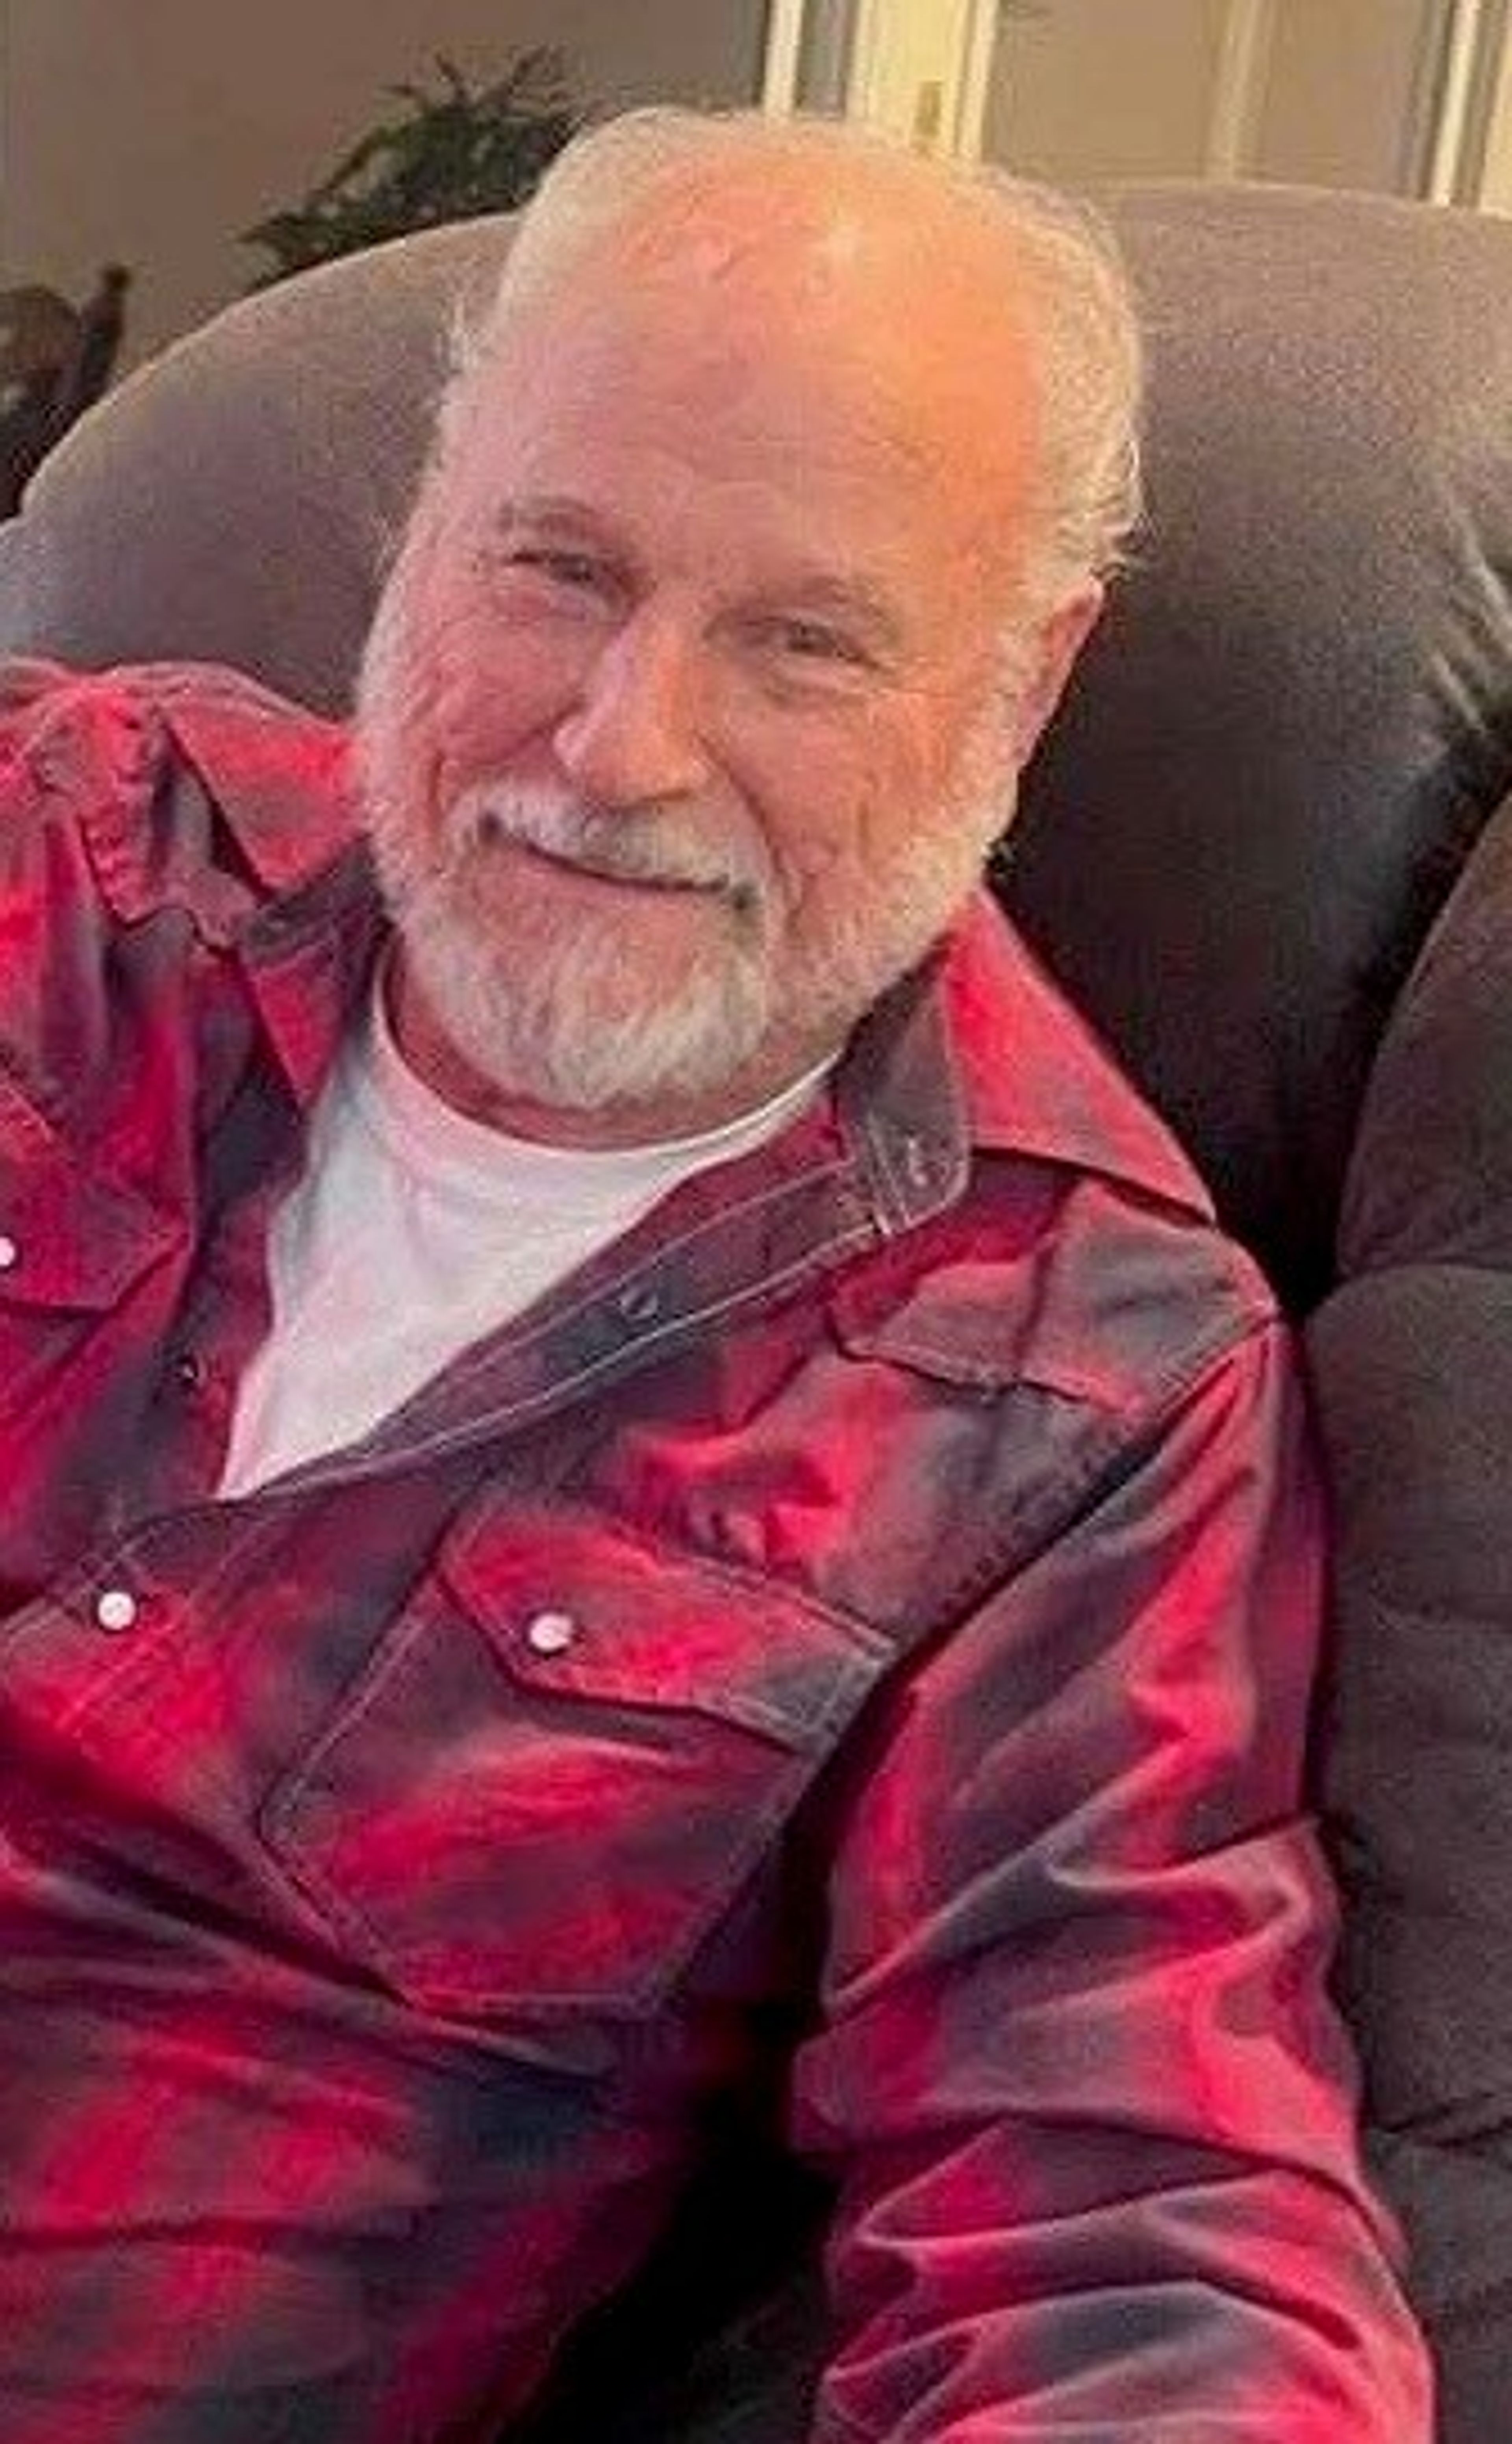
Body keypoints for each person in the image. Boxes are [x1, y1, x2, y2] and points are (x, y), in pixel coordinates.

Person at [0, 107, 1429, 2441]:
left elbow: (1132, 2223)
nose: (620, 746)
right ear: (426, 526)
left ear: (1022, 684)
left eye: (803, 644)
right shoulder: (78, 847)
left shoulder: (1069, 1390)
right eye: (558, 569)